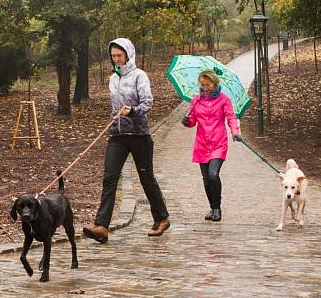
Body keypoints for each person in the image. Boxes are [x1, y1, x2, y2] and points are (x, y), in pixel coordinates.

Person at [83, 38, 170, 244]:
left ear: (128, 54)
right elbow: (115, 107)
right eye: (113, 56)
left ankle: (162, 218)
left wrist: (132, 111)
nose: (116, 59)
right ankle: (102, 226)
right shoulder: (113, 78)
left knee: (146, 178)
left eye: (119, 55)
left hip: (139, 135)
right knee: (110, 177)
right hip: (117, 136)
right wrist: (114, 121)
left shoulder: (140, 76)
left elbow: (147, 104)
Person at [181, 69, 243, 222]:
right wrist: (186, 121)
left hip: (218, 143)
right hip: (201, 144)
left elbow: (231, 117)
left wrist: (235, 131)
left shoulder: (224, 100)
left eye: (208, 84)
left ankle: (217, 207)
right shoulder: (196, 100)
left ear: (215, 83)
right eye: (202, 85)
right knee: (206, 179)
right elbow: (192, 122)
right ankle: (212, 207)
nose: (205, 88)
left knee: (213, 175)